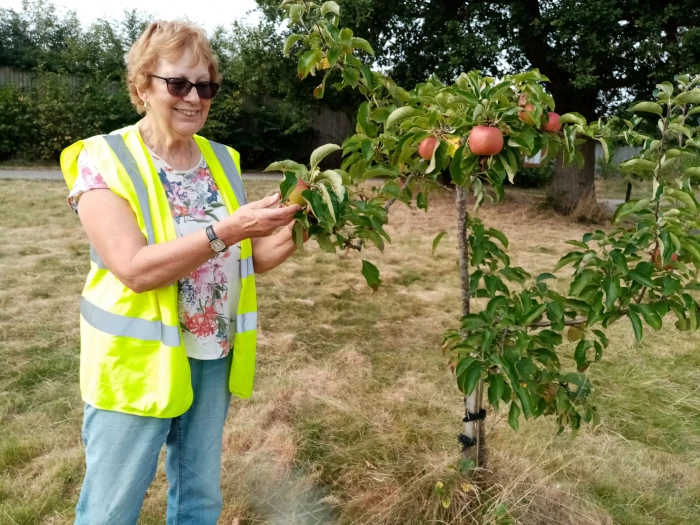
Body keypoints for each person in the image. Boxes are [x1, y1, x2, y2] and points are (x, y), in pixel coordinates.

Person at [60, 19, 304, 524]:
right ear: (141, 87)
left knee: (199, 500)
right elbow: (133, 269)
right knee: (110, 508)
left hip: (211, 354)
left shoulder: (222, 159)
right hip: (137, 362)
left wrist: (302, 226)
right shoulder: (101, 159)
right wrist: (228, 230)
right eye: (178, 83)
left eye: (206, 85)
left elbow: (243, 262)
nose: (194, 97)